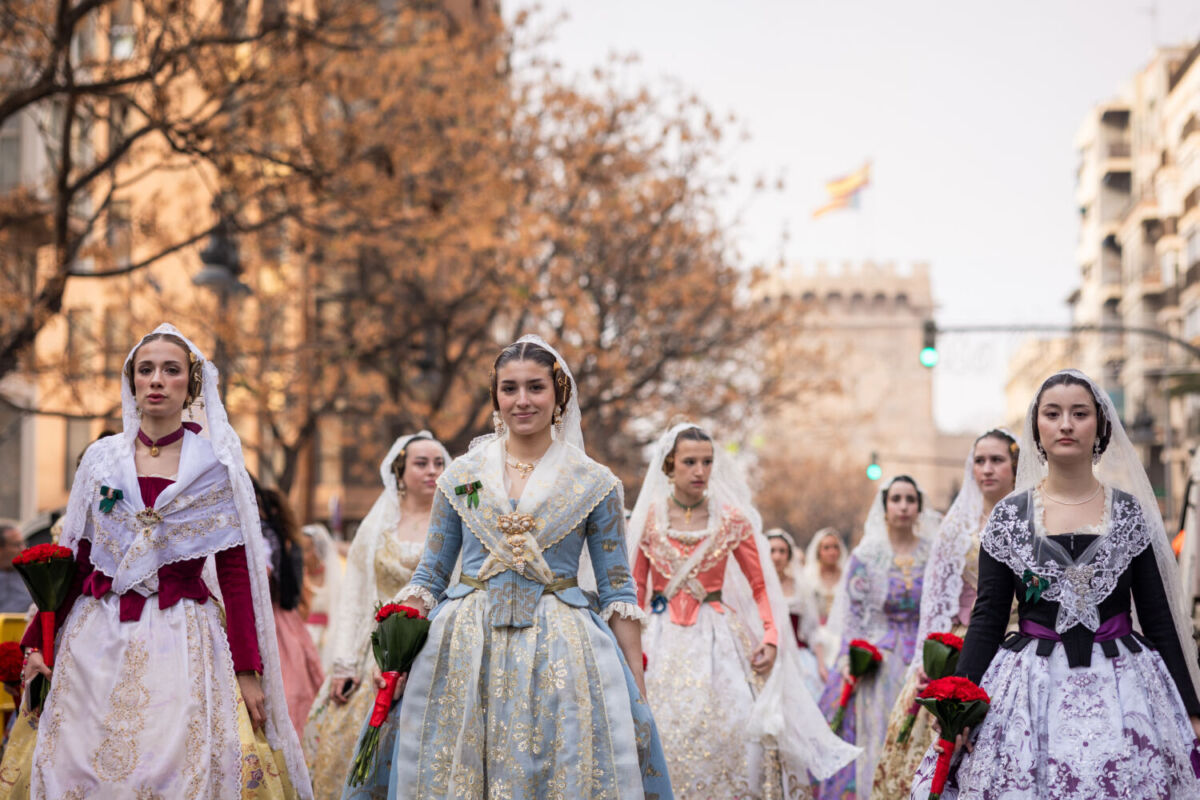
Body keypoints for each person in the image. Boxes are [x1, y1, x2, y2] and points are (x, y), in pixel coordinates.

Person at [347, 336, 674, 799]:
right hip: (462, 646)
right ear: (496, 396)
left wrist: (636, 692)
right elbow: (430, 576)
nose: (522, 400)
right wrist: (398, 656)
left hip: (561, 652)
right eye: (509, 388)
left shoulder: (596, 483)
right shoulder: (461, 476)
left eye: (536, 387)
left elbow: (618, 592)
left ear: (558, 393)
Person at [0, 324, 310, 798]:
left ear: (192, 384)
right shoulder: (101, 461)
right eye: (146, 370)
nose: (157, 380)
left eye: (171, 370)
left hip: (180, 636)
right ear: (133, 381)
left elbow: (235, 577)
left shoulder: (215, 469)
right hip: (95, 636)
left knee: (171, 768)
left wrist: (248, 672)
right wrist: (38, 643)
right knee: (80, 766)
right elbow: (77, 559)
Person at [911, 370, 1200, 799]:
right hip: (1029, 693)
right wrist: (960, 704)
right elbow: (988, 616)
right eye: (1053, 413)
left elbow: (1158, 618)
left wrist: (1191, 711)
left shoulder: (1129, 513)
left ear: (1100, 425)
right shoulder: (1007, 518)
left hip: (1127, 693)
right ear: (1037, 428)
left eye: (1079, 413)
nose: (1066, 424)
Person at [630, 423, 859, 799]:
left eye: (707, 462)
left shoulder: (733, 520)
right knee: (661, 728)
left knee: (734, 729)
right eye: (690, 462)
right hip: (660, 637)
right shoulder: (650, 520)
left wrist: (771, 636)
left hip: (719, 639)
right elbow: (637, 587)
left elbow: (760, 585)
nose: (700, 470)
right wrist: (632, 646)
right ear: (669, 466)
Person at [869, 430, 1018, 799]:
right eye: (979, 461)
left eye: (996, 460)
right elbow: (935, 601)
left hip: (1021, 646)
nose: (986, 469)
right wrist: (929, 663)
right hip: (963, 643)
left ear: (1016, 465)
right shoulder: (955, 529)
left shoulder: (1033, 520)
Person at [304, 432, 448, 798]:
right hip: (380, 651)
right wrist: (345, 664)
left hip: (435, 648)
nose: (432, 471)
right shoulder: (377, 526)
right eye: (421, 463)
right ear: (400, 472)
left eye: (438, 463)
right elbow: (355, 595)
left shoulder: (451, 522)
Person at [815, 475, 940, 800]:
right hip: (881, 662)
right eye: (896, 499)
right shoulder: (867, 556)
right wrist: (849, 660)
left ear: (919, 507)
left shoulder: (934, 553)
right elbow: (854, 617)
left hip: (925, 662)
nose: (903, 506)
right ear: (884, 507)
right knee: (877, 733)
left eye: (910, 500)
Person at [254, 479, 325, 741]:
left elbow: (262, 581)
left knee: (287, 693)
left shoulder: (266, 539)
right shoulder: (281, 537)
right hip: (286, 620)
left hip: (272, 620)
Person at [767, 527, 825, 696]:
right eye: (772, 551)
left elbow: (813, 630)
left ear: (789, 556)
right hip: (767, 654)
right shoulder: (754, 587)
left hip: (797, 657)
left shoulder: (800, 587)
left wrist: (821, 665)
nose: (777, 556)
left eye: (782, 551)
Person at [804, 527, 848, 672]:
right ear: (818, 551)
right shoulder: (809, 577)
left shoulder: (847, 577)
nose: (832, 552)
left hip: (842, 632)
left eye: (835, 547)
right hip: (816, 633)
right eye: (826, 548)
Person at [300, 523, 341, 671]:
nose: (302, 555)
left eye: (307, 549)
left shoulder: (332, 576)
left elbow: (338, 610)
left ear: (318, 549)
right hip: (301, 638)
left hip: (326, 638)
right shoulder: (298, 578)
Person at [0, 523, 31, 613]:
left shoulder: (31, 576)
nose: (23, 549)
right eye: (17, 545)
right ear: (1, 549)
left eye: (24, 543)